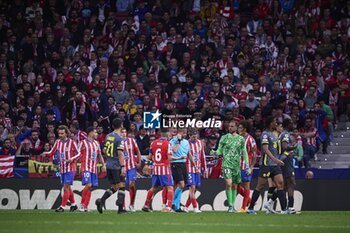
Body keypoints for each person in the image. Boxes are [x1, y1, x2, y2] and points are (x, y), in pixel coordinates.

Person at [247, 117, 288, 214]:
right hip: (266, 165)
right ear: (270, 123)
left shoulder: (275, 134)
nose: (276, 123)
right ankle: (251, 208)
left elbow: (277, 149)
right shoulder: (265, 134)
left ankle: (284, 210)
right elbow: (265, 149)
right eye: (274, 121)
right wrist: (275, 159)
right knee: (260, 186)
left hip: (275, 165)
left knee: (280, 184)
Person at [211, 120, 250, 212]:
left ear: (236, 128)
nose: (230, 128)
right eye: (229, 126)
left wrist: (247, 165)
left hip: (236, 165)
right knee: (229, 183)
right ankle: (230, 206)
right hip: (226, 164)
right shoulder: (224, 138)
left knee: (234, 186)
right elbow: (220, 150)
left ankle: (232, 206)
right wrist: (215, 152)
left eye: (232, 126)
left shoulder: (241, 139)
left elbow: (244, 152)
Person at [42, 125, 80, 212]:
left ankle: (62, 207)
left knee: (66, 187)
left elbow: (79, 154)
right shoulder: (58, 142)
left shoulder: (72, 142)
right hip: (62, 168)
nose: (60, 135)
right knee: (68, 188)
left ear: (66, 133)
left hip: (70, 168)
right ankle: (74, 205)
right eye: (59, 133)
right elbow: (51, 152)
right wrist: (46, 153)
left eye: (62, 133)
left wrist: (72, 159)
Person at [95, 118, 127, 214]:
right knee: (122, 186)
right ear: (121, 126)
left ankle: (101, 200)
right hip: (116, 165)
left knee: (114, 187)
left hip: (109, 165)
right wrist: (123, 166)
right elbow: (120, 153)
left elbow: (104, 150)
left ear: (112, 126)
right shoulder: (119, 138)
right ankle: (120, 208)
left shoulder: (108, 136)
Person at [142, 128, 175, 213]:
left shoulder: (153, 143)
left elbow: (149, 157)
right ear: (167, 135)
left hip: (155, 168)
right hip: (164, 168)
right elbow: (170, 158)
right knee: (170, 187)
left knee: (154, 187)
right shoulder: (168, 144)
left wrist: (150, 162)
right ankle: (169, 207)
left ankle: (146, 205)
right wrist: (179, 157)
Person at [79, 127, 105, 212]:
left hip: (94, 168)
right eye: (95, 132)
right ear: (90, 133)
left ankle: (86, 206)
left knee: (91, 187)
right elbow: (77, 153)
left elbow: (100, 155)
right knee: (88, 185)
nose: (97, 134)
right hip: (86, 167)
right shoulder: (83, 143)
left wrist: (103, 165)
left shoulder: (97, 143)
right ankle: (82, 204)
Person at [183, 128, 207, 213]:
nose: (195, 138)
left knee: (195, 189)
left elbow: (202, 155)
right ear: (189, 135)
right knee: (192, 187)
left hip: (198, 169)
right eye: (193, 137)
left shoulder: (200, 143)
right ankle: (195, 207)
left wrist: (204, 168)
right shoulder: (186, 143)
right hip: (189, 168)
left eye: (196, 136)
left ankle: (186, 207)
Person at [237, 120, 257, 212]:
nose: (238, 129)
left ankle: (243, 208)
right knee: (236, 186)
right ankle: (250, 200)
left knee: (246, 186)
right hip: (237, 166)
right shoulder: (237, 138)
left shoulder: (250, 139)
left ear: (245, 129)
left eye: (240, 127)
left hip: (246, 166)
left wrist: (252, 167)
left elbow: (254, 154)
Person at [121, 128, 141, 212]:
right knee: (122, 186)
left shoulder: (132, 141)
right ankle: (123, 206)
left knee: (131, 184)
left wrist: (139, 162)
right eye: (122, 132)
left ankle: (132, 204)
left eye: (125, 132)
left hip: (132, 166)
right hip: (122, 167)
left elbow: (138, 151)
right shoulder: (118, 142)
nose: (124, 133)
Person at [169, 128, 190, 212]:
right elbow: (174, 150)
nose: (184, 134)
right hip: (175, 163)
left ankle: (177, 207)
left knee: (181, 186)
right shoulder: (172, 141)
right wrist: (178, 141)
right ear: (178, 133)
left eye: (185, 133)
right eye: (183, 132)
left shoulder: (186, 142)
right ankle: (172, 203)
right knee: (181, 185)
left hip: (183, 164)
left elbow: (188, 153)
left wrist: (194, 164)